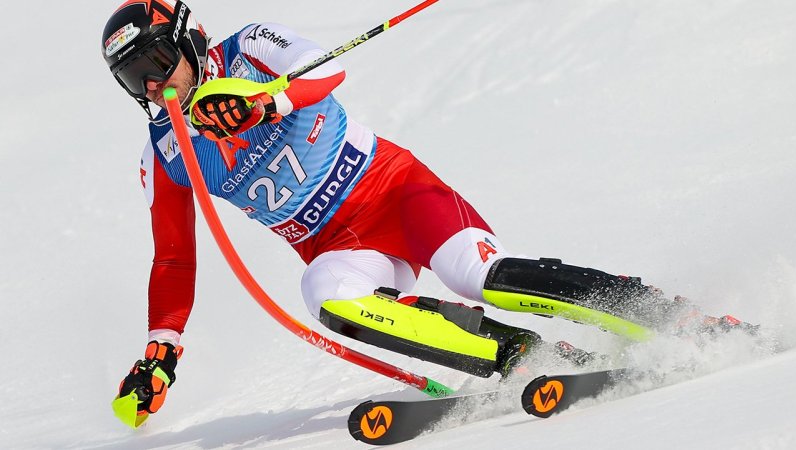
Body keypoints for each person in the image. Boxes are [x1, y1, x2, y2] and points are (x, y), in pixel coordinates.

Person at [102, 0, 755, 423]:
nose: (158, 85)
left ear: (188, 40)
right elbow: (173, 255)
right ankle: (518, 356)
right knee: (324, 292)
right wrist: (162, 349)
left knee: (479, 274)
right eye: (139, 79)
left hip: (396, 192)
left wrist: (262, 102)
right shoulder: (164, 151)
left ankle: (672, 317)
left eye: (161, 62)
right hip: (343, 246)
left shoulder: (248, 48)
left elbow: (320, 75)